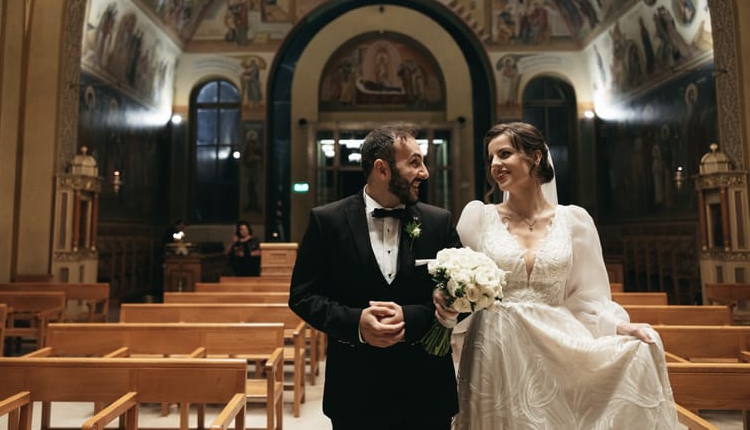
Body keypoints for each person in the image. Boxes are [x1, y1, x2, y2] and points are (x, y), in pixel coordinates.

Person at [434, 122, 677, 429]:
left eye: (505, 154)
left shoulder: (575, 221)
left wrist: (619, 326)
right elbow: (457, 288)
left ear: (535, 157)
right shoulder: (478, 218)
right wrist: (449, 302)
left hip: (556, 347)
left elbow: (587, 297)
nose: (495, 164)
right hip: (496, 350)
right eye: (491, 158)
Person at [289, 124, 461, 430]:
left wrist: (412, 318)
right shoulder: (326, 221)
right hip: (355, 390)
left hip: (426, 389)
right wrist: (355, 323)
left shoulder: (439, 222)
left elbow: (461, 297)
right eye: (414, 162)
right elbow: (303, 296)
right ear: (382, 169)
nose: (424, 173)